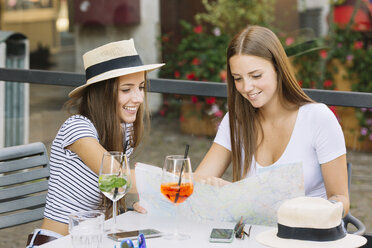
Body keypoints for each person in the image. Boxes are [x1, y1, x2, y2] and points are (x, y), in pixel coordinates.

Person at [195, 25, 349, 215]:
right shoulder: (236, 121)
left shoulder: (317, 119)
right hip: (253, 238)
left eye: (256, 75)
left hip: (305, 237)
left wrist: (310, 216)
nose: (247, 87)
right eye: (238, 78)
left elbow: (340, 199)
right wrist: (213, 187)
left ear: (278, 68)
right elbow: (198, 182)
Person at [26, 39, 164, 247]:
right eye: (126, 89)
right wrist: (180, 180)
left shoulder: (123, 130)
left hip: (94, 239)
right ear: (103, 93)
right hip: (57, 242)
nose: (138, 98)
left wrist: (129, 209)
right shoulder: (77, 128)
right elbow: (118, 180)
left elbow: (109, 199)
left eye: (141, 87)